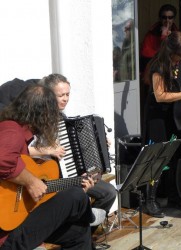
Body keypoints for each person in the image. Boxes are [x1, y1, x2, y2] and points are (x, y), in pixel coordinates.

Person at [0, 84, 105, 249]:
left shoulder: (16, 131)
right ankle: (88, 215)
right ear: (42, 115)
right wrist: (31, 182)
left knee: (79, 232)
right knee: (75, 196)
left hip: (22, 218)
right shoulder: (12, 131)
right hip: (8, 235)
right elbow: (2, 159)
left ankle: (84, 215)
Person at [29, 74, 117, 219]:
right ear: (48, 95)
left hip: (70, 176)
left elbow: (78, 150)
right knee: (78, 198)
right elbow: (22, 150)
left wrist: (100, 145)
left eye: (67, 94)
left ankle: (86, 232)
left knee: (109, 192)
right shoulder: (34, 120)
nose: (65, 98)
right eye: (61, 95)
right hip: (49, 181)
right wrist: (49, 150)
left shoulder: (62, 118)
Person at [142, 31, 181, 217]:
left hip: (175, 116)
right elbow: (160, 96)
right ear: (171, 52)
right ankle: (150, 201)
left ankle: (175, 197)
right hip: (158, 118)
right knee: (158, 158)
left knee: (176, 155)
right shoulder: (158, 65)